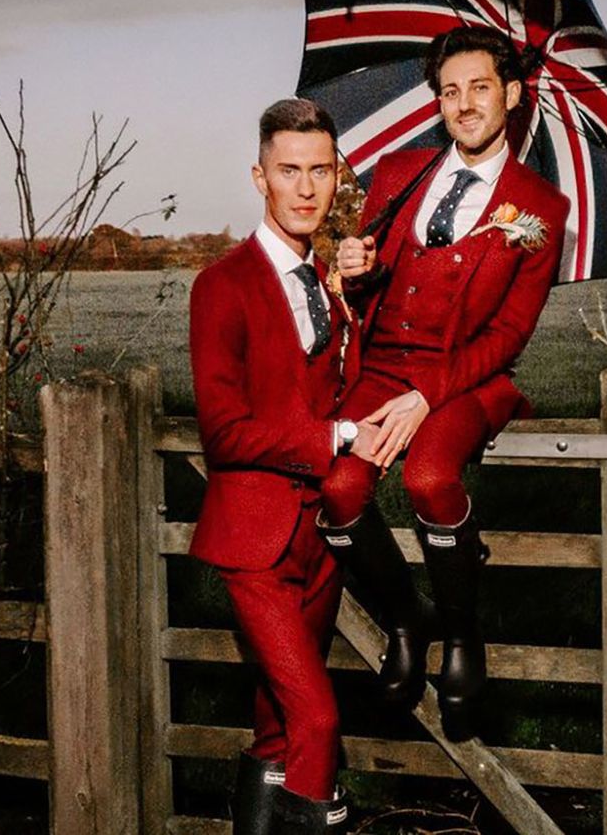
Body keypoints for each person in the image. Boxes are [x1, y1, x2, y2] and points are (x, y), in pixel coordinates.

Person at [321, 25, 570, 741]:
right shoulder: (398, 175)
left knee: (430, 476)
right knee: (337, 488)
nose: (463, 104)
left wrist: (428, 395)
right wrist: (355, 268)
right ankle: (407, 621)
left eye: (479, 88)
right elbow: (363, 297)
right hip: (380, 369)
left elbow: (508, 337)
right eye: (450, 90)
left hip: (464, 379)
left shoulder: (540, 208)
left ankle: (461, 636)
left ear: (512, 95)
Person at [188, 98, 373, 834]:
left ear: (336, 179)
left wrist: (358, 290)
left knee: (277, 729)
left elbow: (349, 378)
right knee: (320, 721)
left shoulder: (331, 284)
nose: (305, 188)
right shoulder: (221, 285)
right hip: (255, 546)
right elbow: (225, 433)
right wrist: (332, 438)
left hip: (321, 544)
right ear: (259, 176)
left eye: (320, 171)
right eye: (288, 171)